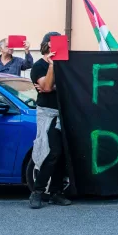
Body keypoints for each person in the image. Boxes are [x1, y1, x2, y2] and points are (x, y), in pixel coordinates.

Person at [28, 32, 72, 209]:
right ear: (48, 44)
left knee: (62, 154)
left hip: (64, 114)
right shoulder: (39, 66)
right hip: (48, 114)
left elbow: (66, 86)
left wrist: (53, 87)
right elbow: (45, 86)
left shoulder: (66, 65)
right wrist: (53, 68)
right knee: (51, 152)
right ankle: (37, 191)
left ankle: (56, 192)